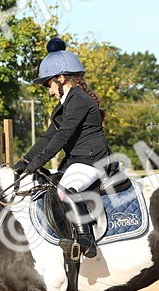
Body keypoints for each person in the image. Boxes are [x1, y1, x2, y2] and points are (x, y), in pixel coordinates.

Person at [12, 37, 112, 259]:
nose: (49, 91)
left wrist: (38, 162)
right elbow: (48, 137)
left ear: (60, 78)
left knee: (65, 189)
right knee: (47, 185)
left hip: (93, 160)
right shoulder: (65, 104)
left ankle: (86, 239)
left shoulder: (78, 99)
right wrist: (25, 161)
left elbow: (62, 136)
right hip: (77, 160)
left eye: (49, 84)